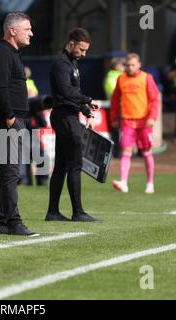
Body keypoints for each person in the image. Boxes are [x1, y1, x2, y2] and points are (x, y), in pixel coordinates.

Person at [0, 12, 38, 236]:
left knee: (7, 171)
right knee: (10, 172)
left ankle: (4, 223)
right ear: (12, 31)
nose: (31, 33)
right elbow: (0, 88)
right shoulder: (2, 53)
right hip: (7, 119)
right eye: (27, 29)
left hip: (13, 118)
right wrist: (10, 115)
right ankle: (13, 221)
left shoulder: (11, 54)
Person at [45, 27, 101, 223]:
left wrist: (85, 110)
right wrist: (88, 99)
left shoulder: (72, 63)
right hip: (64, 118)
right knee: (75, 165)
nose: (84, 54)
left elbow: (73, 95)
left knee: (61, 165)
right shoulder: (61, 64)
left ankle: (52, 212)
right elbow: (67, 92)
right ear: (71, 44)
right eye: (82, 49)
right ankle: (78, 212)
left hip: (69, 116)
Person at [110, 53, 160, 194]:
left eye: (133, 65)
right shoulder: (121, 79)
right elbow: (115, 100)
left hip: (144, 122)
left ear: (139, 65)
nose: (130, 67)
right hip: (127, 121)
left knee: (146, 152)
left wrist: (152, 117)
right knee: (126, 151)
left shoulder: (146, 78)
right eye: (128, 65)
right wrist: (113, 118)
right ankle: (124, 182)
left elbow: (154, 99)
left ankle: (150, 183)